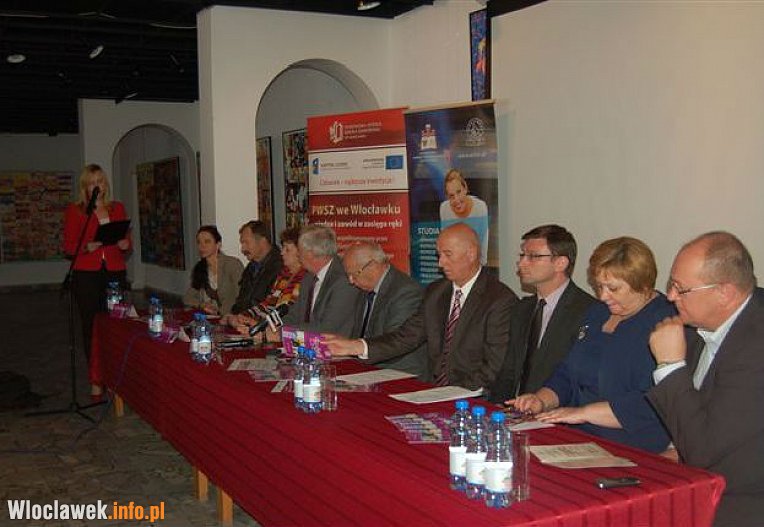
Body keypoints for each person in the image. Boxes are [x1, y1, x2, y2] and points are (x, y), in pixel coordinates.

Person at [510, 237, 673, 453]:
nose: (603, 296)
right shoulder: (598, 312)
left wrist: (584, 413)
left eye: (613, 288)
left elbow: (653, 402)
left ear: (642, 284)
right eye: (599, 286)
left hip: (631, 445)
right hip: (579, 436)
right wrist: (541, 400)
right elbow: (568, 372)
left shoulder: (664, 322)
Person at [648, 232, 763, 526]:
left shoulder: (756, 346)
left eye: (681, 288)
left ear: (725, 293)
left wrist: (670, 366)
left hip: (742, 502)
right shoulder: (702, 322)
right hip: (703, 478)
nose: (670, 296)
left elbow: (702, 453)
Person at [327, 223, 517, 390]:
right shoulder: (436, 292)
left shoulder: (499, 299)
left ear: (471, 254)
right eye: (439, 255)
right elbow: (406, 337)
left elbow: (494, 366)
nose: (440, 263)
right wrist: (357, 346)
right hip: (434, 390)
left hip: (475, 397)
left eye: (448, 255)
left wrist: (452, 394)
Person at [488, 225, 596, 403]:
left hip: (558, 412)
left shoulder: (588, 311)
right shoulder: (522, 308)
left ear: (560, 263)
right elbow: (508, 371)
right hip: (514, 411)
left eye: (533, 256)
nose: (521, 263)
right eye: (522, 255)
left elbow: (578, 380)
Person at [63, 164, 132, 364]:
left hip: (114, 271)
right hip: (87, 274)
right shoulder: (76, 211)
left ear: (105, 184)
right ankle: (95, 367)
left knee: (116, 320)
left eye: (100, 181)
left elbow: (126, 239)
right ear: (85, 187)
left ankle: (114, 363)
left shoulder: (117, 208)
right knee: (91, 322)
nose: (97, 186)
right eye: (92, 183)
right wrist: (86, 247)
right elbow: (68, 246)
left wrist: (125, 244)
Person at [340, 242, 425, 376]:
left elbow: (394, 344)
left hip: (398, 371)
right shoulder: (365, 289)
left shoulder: (406, 291)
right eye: (348, 275)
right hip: (368, 367)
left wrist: (356, 348)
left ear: (373, 266)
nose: (351, 281)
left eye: (354, 274)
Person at [277, 224, 363, 336]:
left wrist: (282, 333)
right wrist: (273, 329)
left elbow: (327, 328)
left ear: (310, 254)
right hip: (306, 342)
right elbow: (294, 315)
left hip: (332, 344)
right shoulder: (308, 277)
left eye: (299, 250)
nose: (298, 255)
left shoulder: (344, 280)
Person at [232, 227, 306, 333]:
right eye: (282, 248)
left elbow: (289, 313)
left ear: (301, 252)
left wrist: (259, 323)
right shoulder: (284, 275)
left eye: (287, 249)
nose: (282, 253)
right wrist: (244, 316)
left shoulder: (305, 278)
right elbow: (268, 305)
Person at [183, 225, 243, 316]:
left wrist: (221, 313)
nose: (202, 246)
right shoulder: (200, 268)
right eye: (199, 242)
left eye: (207, 242)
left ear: (218, 245)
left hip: (230, 316)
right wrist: (202, 305)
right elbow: (188, 298)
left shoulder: (232, 264)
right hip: (209, 316)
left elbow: (241, 295)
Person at [228, 220, 283, 317]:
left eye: (246, 243)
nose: (242, 249)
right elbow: (241, 303)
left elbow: (271, 307)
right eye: (242, 243)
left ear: (263, 241)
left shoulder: (280, 267)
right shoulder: (250, 269)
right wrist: (231, 316)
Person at [439, 169, 489, 264]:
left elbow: (483, 243)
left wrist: (481, 266)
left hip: (474, 262)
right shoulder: (444, 208)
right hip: (454, 263)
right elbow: (445, 243)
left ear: (465, 188)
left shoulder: (480, 207)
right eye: (451, 196)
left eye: (459, 192)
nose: (456, 200)